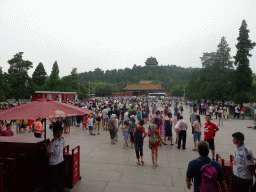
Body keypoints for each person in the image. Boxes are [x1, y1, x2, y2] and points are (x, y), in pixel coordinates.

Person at [47, 125, 66, 192]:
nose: (59, 133)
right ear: (55, 132)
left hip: (60, 161)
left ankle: (60, 188)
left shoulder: (62, 140)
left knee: (60, 176)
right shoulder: (53, 142)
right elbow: (49, 153)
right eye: (58, 132)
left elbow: (63, 148)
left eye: (61, 132)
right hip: (54, 163)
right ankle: (52, 190)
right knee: (53, 178)